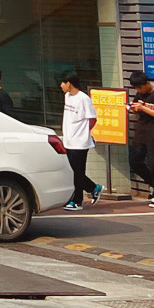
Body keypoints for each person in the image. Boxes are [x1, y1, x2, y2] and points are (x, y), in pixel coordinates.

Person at [128, 69, 154, 206]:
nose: (139, 90)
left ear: (147, 83)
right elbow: (136, 109)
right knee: (135, 161)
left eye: (140, 87)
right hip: (140, 132)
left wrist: (143, 108)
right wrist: (133, 108)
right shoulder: (140, 94)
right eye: (136, 88)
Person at [59, 72, 100, 209]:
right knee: (73, 171)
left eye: (63, 83)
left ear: (69, 83)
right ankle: (94, 188)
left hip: (80, 142)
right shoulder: (67, 96)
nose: (61, 86)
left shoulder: (84, 99)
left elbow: (93, 118)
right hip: (68, 140)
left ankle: (77, 201)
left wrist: (84, 132)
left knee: (77, 173)